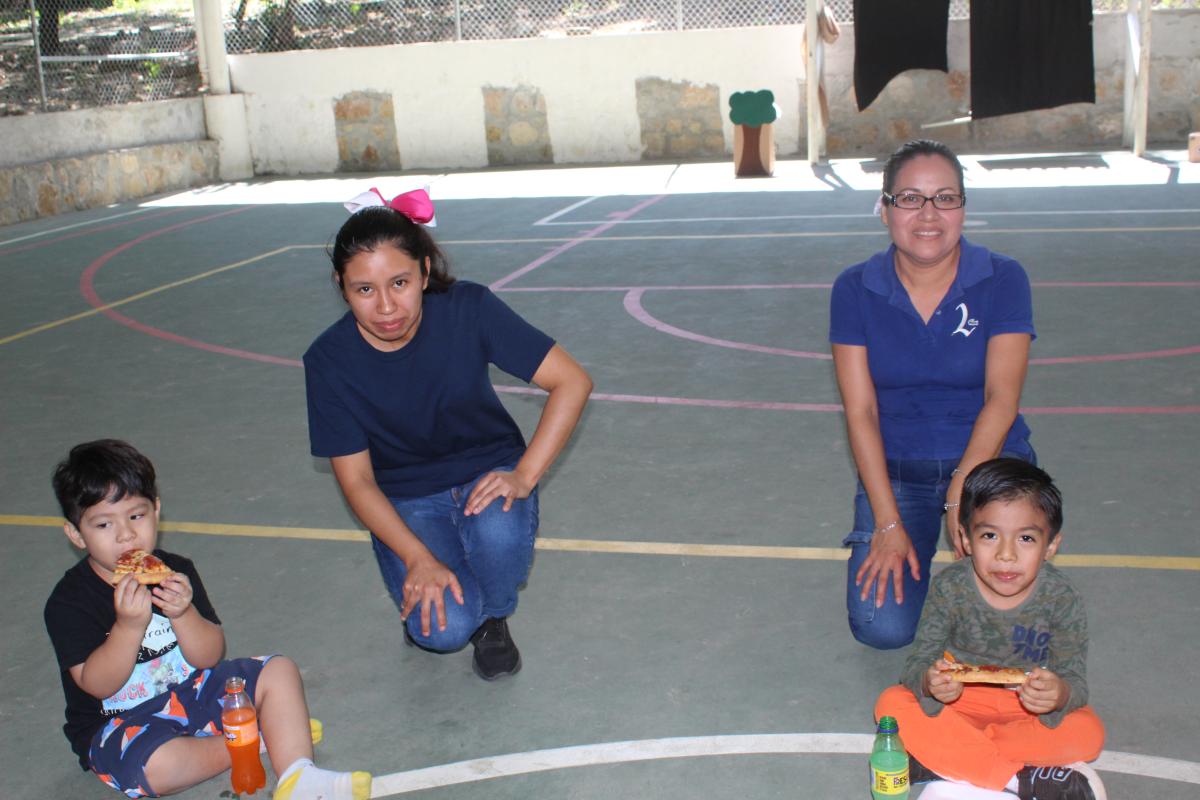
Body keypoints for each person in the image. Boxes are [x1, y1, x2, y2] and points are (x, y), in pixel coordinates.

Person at [304, 188, 592, 680]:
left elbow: (572, 381)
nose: (386, 306)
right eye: (364, 289)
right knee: (443, 631)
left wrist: (523, 475)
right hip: (406, 499)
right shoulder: (329, 361)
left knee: (498, 531)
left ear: (423, 271)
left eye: (399, 283)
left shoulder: (468, 308)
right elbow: (358, 482)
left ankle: (493, 619)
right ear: (341, 286)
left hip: (487, 470)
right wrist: (416, 557)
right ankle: (436, 595)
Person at [44, 439, 370, 800]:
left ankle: (299, 775)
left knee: (280, 670)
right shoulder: (69, 602)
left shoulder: (174, 570)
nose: (126, 534)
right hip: (121, 724)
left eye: (136, 516)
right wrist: (128, 627)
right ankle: (259, 737)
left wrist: (184, 612)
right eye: (104, 524)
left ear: (156, 510)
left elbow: (209, 656)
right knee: (157, 767)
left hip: (193, 693)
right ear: (76, 534)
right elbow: (96, 685)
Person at [829, 139, 1037, 649]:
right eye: (909, 198)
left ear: (962, 207)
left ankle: (995, 559)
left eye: (945, 198)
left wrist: (962, 492)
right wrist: (887, 521)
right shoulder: (854, 288)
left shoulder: (1003, 278)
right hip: (899, 470)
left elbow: (1002, 398)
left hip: (990, 463)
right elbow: (861, 412)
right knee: (883, 628)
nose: (928, 214)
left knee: (1008, 625)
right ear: (884, 209)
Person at [875, 458, 1105, 800]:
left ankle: (947, 759)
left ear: (1051, 545)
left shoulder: (1062, 597)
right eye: (989, 536)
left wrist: (1058, 693)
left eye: (1026, 538)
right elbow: (916, 665)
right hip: (960, 702)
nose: (1006, 554)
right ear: (965, 539)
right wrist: (930, 682)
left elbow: (1075, 682)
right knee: (892, 704)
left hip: (1025, 709)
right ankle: (1018, 780)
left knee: (1088, 732)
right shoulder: (950, 587)